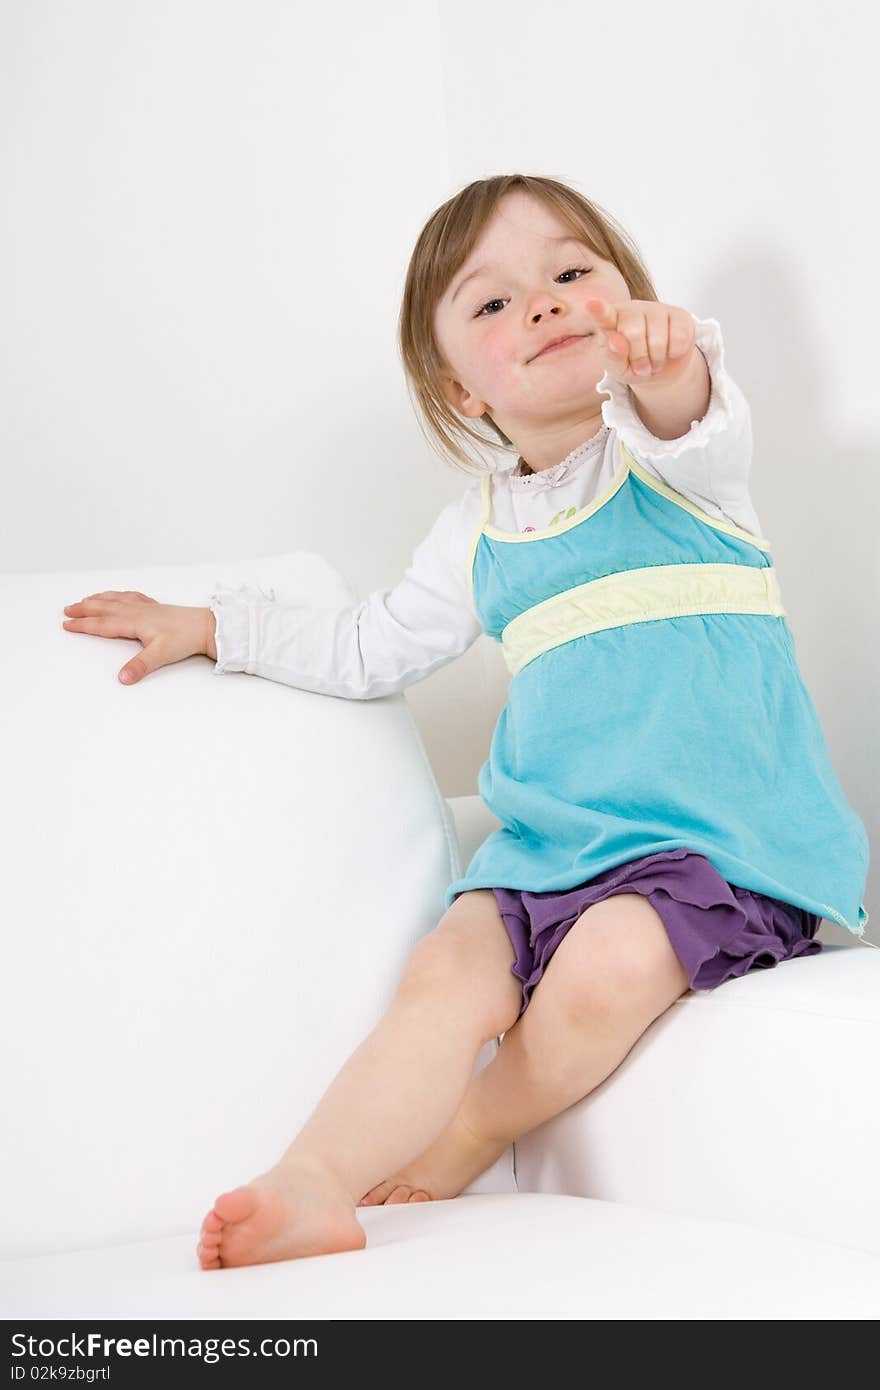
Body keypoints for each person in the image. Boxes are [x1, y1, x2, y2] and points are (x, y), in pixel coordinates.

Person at [60, 175, 872, 1271]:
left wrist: (670, 367)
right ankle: (311, 1176)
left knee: (608, 965)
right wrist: (215, 624)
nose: (538, 303)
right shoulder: (478, 532)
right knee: (442, 972)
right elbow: (364, 644)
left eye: (571, 274)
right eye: (490, 304)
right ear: (462, 390)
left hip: (717, 848)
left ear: (628, 306)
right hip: (550, 850)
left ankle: (479, 1122)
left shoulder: (682, 463)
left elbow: (691, 409)